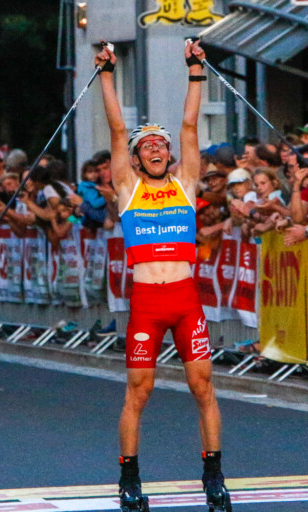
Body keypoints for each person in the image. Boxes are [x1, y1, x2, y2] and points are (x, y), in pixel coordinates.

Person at [96, 40, 231, 512]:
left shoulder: (185, 183)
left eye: (160, 144)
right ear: (136, 159)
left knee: (203, 386)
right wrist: (107, 74)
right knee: (140, 391)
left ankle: (213, 475)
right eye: (146, 146)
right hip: (148, 303)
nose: (155, 148)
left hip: (185, 299)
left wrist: (196, 70)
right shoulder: (128, 187)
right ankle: (128, 479)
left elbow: (190, 125)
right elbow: (117, 129)